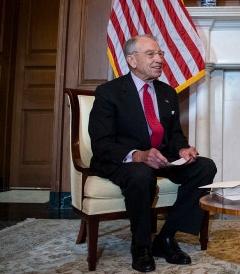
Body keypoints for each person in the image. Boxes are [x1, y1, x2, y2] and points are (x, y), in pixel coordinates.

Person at [89, 34, 217, 272]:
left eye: (160, 54)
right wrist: (138, 155)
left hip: (161, 156)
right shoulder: (109, 93)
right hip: (124, 160)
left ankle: (166, 238)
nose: (159, 59)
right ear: (132, 60)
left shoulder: (167, 92)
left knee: (205, 166)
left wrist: (182, 148)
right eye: (151, 54)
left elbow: (175, 133)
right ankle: (141, 245)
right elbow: (102, 143)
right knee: (141, 174)